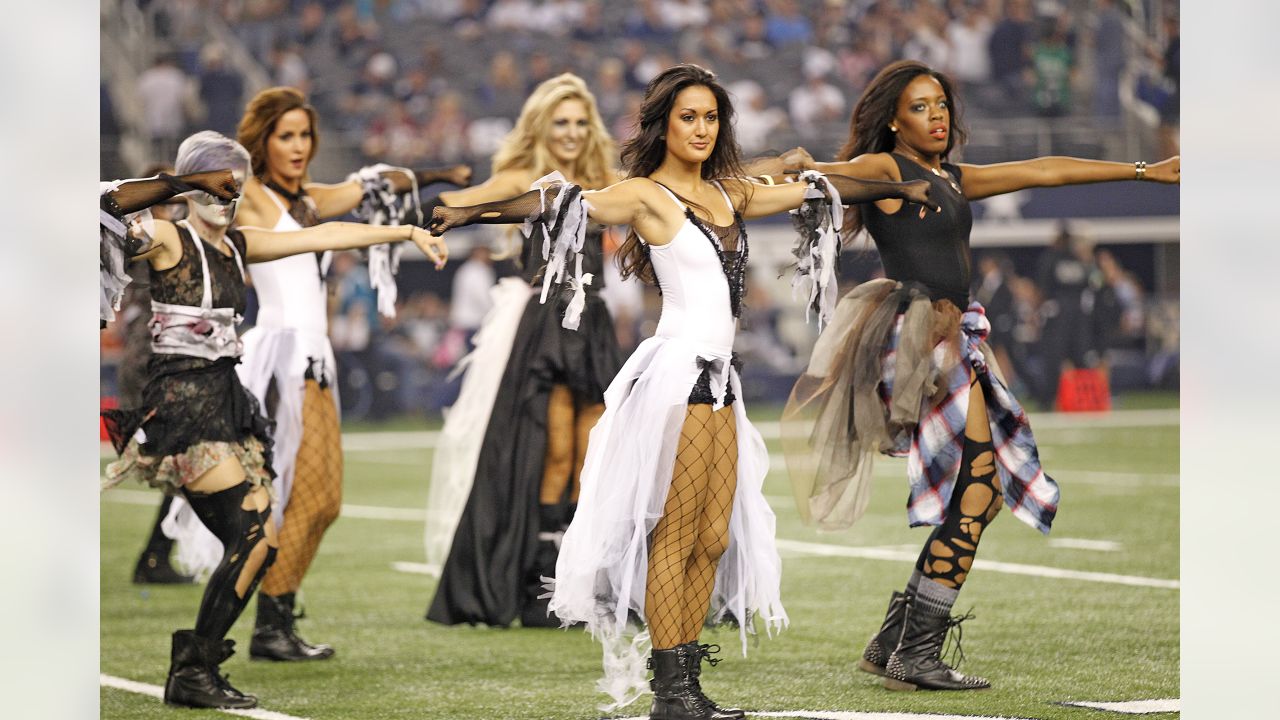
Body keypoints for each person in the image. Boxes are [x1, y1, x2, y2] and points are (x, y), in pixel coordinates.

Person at [426, 63, 933, 720]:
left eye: (711, 117)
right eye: (688, 116)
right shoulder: (644, 195)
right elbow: (559, 202)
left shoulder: (732, 192)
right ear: (665, 124)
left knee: (712, 541)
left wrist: (905, 186)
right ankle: (673, 691)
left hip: (721, 380)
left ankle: (687, 681)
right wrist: (464, 211)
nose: (700, 128)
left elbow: (815, 190)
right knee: (677, 533)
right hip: (679, 375)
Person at [777, 59, 1179, 693]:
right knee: (979, 484)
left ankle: (896, 638)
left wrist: (1144, 172)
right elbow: (839, 175)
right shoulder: (888, 169)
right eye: (920, 106)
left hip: (955, 339)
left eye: (940, 103)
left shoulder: (952, 177)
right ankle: (916, 652)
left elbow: (1045, 171)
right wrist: (814, 168)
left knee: (982, 494)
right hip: (917, 339)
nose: (936, 115)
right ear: (893, 120)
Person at [100, 131, 450, 709]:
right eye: (217, 180)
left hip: (227, 402)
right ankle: (194, 668)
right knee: (253, 533)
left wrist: (406, 231)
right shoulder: (167, 237)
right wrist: (184, 184)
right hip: (184, 407)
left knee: (258, 541)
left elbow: (323, 234)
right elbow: (105, 206)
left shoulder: (239, 244)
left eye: (233, 183)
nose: (227, 193)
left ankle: (197, 665)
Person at [232, 86, 470, 662]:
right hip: (284, 358)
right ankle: (267, 624)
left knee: (322, 502)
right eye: (284, 135)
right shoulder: (252, 196)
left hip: (317, 357)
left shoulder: (311, 198)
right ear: (262, 139)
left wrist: (439, 174)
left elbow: (375, 185)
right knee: (301, 500)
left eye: (305, 135)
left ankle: (276, 618)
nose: (296, 145)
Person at [424, 73, 624, 629]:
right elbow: (457, 205)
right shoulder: (519, 177)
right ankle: (542, 579)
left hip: (595, 322)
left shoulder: (608, 179)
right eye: (560, 122)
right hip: (546, 324)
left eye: (581, 122)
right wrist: (429, 206)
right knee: (554, 451)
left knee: (594, 457)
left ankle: (583, 581)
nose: (572, 132)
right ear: (540, 126)